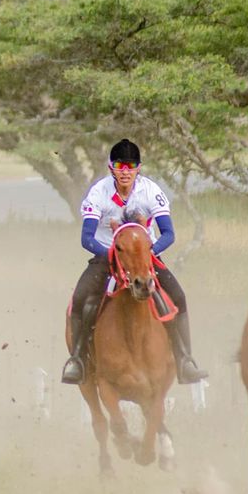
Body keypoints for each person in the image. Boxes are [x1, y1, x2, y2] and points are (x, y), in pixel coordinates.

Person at [60, 138, 208, 386]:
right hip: (106, 256)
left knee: (179, 297)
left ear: (139, 168)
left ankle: (184, 360)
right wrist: (111, 255)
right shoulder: (99, 192)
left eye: (131, 166)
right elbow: (86, 237)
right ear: (111, 168)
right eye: (120, 165)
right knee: (80, 299)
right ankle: (78, 359)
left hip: (143, 259)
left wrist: (148, 254)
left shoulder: (151, 191)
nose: (125, 171)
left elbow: (168, 234)